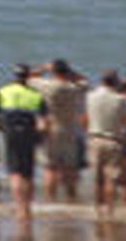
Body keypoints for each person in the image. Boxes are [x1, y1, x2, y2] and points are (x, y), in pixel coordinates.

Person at [32, 58, 87, 202]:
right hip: (70, 129)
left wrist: (44, 67)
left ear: (53, 72)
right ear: (67, 72)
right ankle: (71, 197)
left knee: (51, 168)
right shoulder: (74, 88)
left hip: (51, 129)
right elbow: (84, 80)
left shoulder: (46, 86)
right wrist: (71, 73)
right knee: (70, 168)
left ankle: (51, 199)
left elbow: (29, 77)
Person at [0, 64, 47, 224]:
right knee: (28, 173)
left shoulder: (3, 91)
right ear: (29, 77)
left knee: (15, 172)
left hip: (11, 134)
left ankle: (20, 208)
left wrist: (3, 129)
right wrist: (41, 137)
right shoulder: (36, 94)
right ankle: (28, 207)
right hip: (29, 134)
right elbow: (44, 122)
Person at [83, 69, 126, 219]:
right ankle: (109, 210)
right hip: (113, 140)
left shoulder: (90, 96)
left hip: (94, 138)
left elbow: (85, 118)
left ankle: (97, 209)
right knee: (111, 179)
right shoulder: (120, 99)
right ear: (116, 82)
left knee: (97, 178)